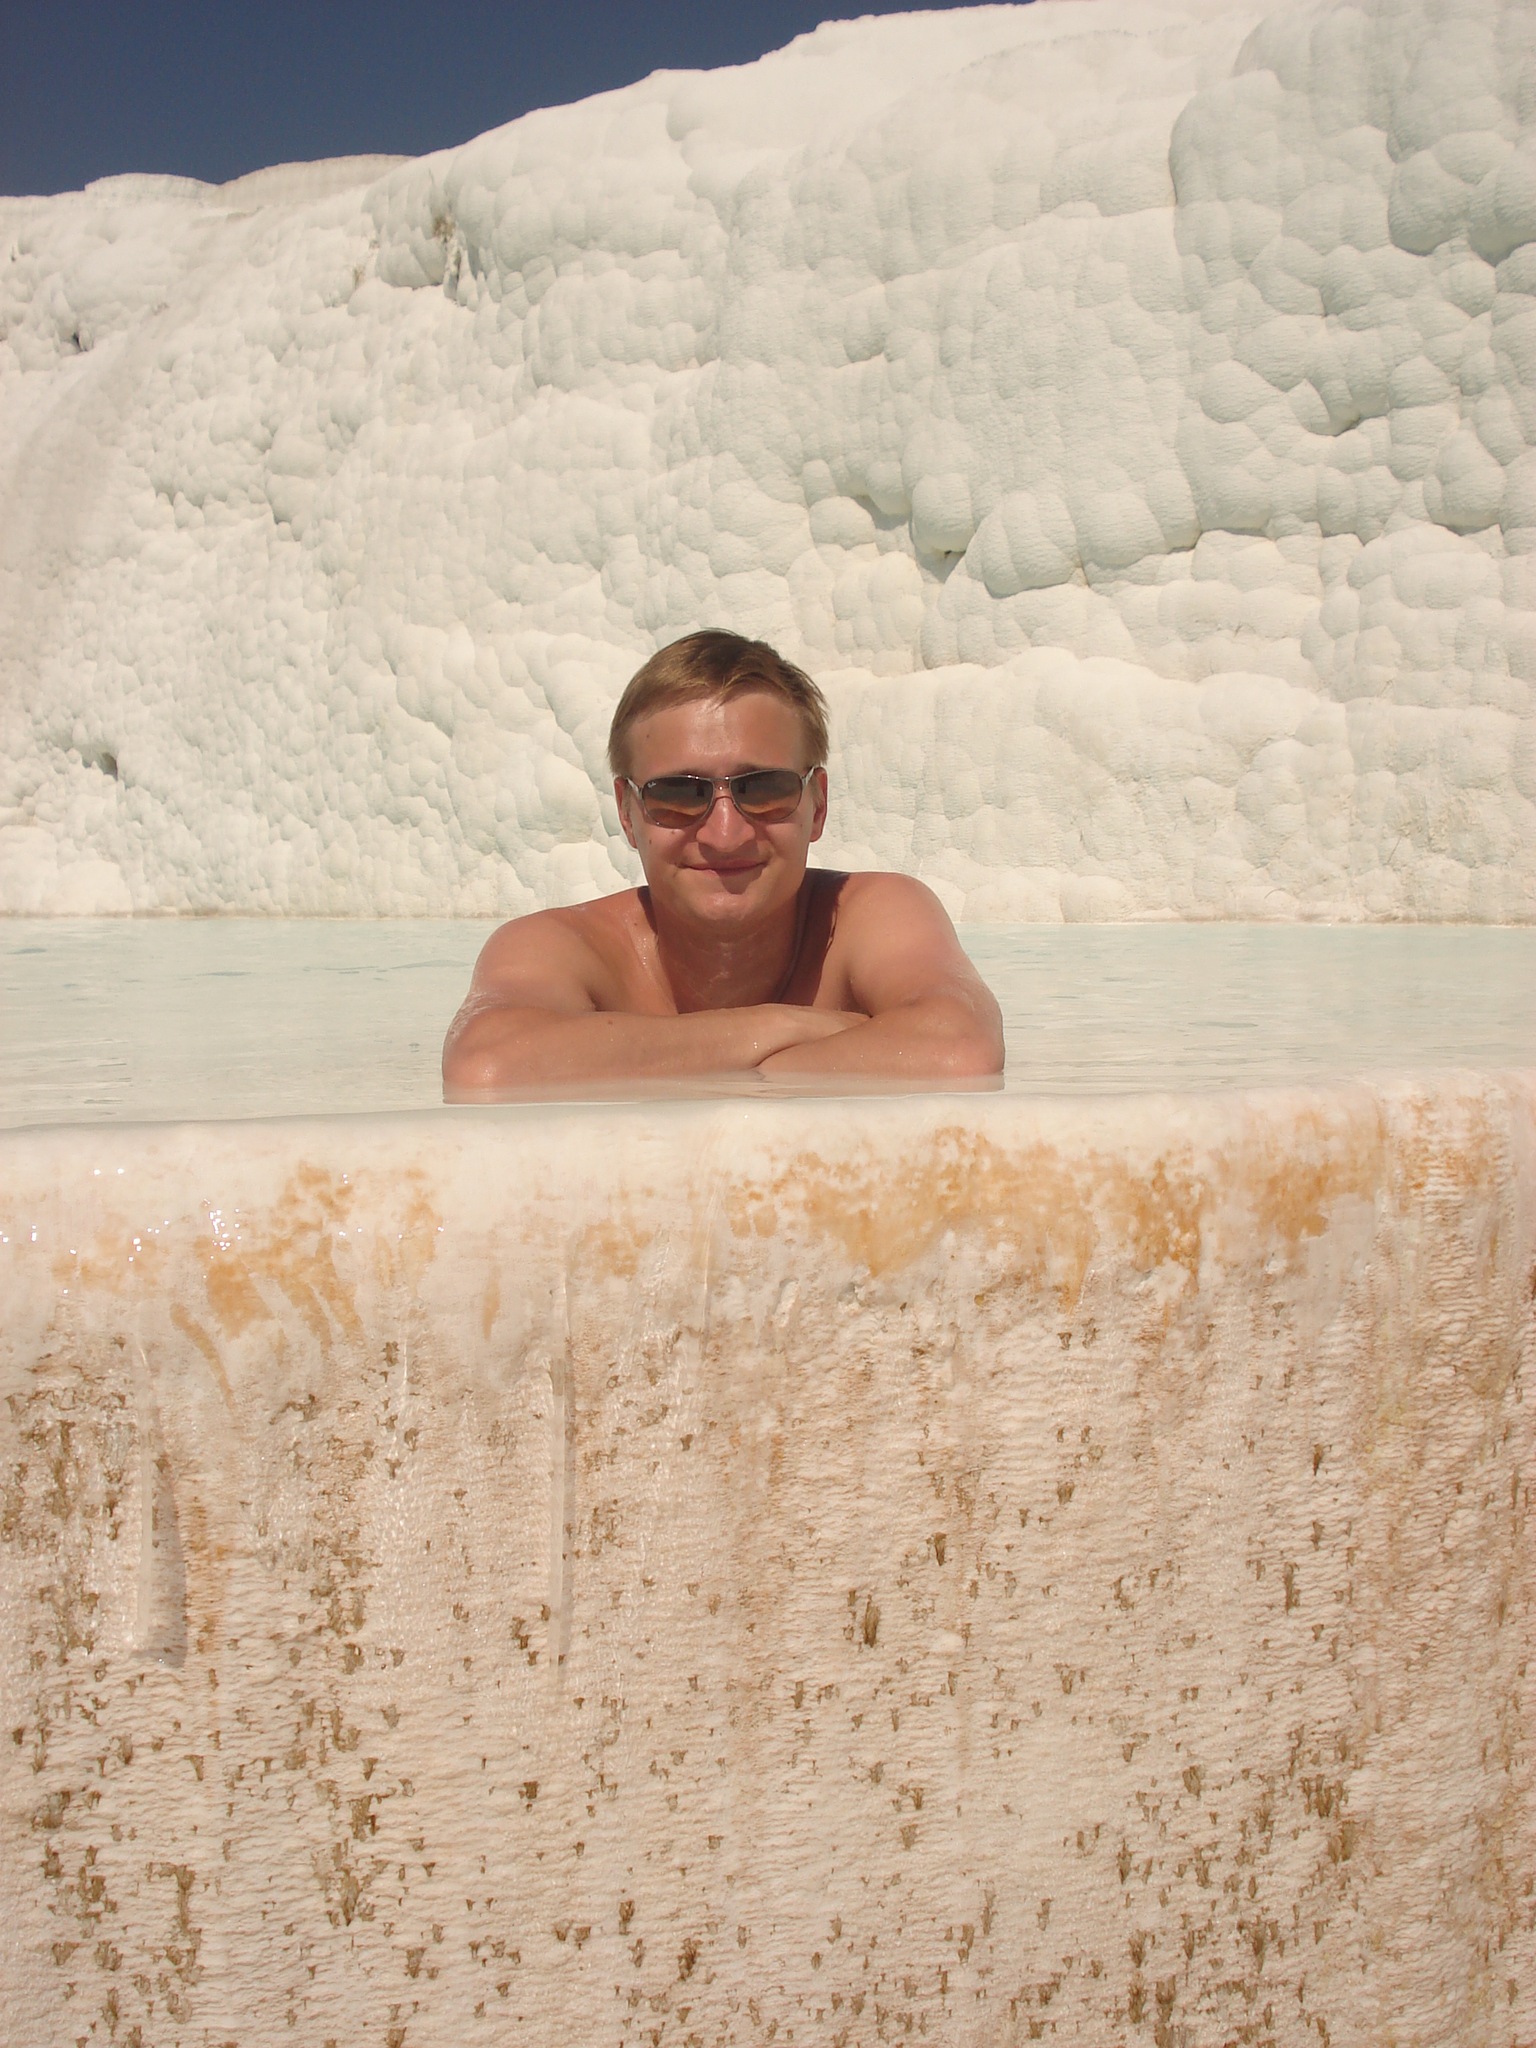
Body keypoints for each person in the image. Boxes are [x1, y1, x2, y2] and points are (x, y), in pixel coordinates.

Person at [442, 630, 1004, 1091]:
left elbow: (960, 1051)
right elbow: (484, 1068)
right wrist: (787, 1027)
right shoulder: (561, 948)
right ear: (627, 814)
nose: (726, 833)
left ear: (818, 804)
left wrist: (646, 1061)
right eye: (677, 795)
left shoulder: (874, 914)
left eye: (764, 788)